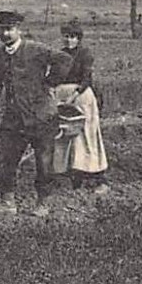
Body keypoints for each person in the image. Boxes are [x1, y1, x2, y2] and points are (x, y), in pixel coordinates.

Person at [0, 10, 71, 216]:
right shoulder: (0, 55)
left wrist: (50, 81)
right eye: (2, 29)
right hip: (14, 118)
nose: (5, 34)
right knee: (4, 158)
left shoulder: (35, 49)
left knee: (44, 163)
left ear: (19, 30)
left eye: (10, 29)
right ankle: (6, 203)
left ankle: (42, 203)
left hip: (41, 117)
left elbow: (64, 60)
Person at [53, 20, 109, 193]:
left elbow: (86, 79)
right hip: (62, 98)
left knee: (86, 137)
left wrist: (74, 95)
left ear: (78, 39)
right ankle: (72, 179)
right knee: (64, 138)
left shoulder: (85, 54)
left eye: (73, 37)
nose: (69, 40)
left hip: (81, 98)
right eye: (67, 37)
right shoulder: (60, 55)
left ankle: (100, 179)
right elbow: (54, 76)